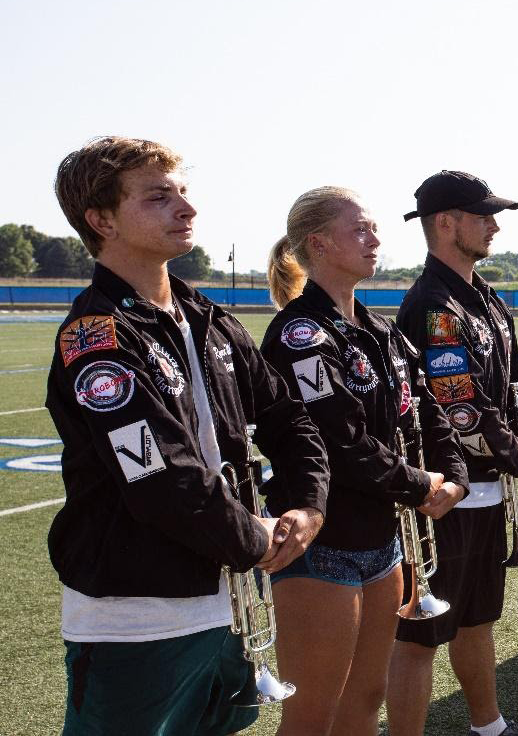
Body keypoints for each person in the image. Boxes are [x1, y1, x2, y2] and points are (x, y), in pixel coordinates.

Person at [48, 137, 330, 736]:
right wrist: (252, 538)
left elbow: (289, 418)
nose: (186, 207)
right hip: (138, 617)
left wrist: (306, 505)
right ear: (102, 221)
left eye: (182, 191)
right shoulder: (96, 335)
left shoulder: (209, 319)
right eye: (158, 197)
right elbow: (160, 475)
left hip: (230, 602)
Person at [261, 186, 468, 735]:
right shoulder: (300, 335)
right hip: (322, 545)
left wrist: (455, 477)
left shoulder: (379, 330)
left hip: (383, 542)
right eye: (360, 229)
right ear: (319, 244)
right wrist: (421, 484)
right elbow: (339, 441)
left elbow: (426, 408)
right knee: (312, 714)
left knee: (367, 695)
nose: (375, 239)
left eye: (374, 228)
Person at [387, 171, 518, 736]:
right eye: (482, 216)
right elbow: (457, 401)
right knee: (420, 635)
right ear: (446, 222)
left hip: (490, 489)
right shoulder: (433, 303)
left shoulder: (483, 296)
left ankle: (490, 726)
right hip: (445, 494)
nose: (494, 226)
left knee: (477, 620)